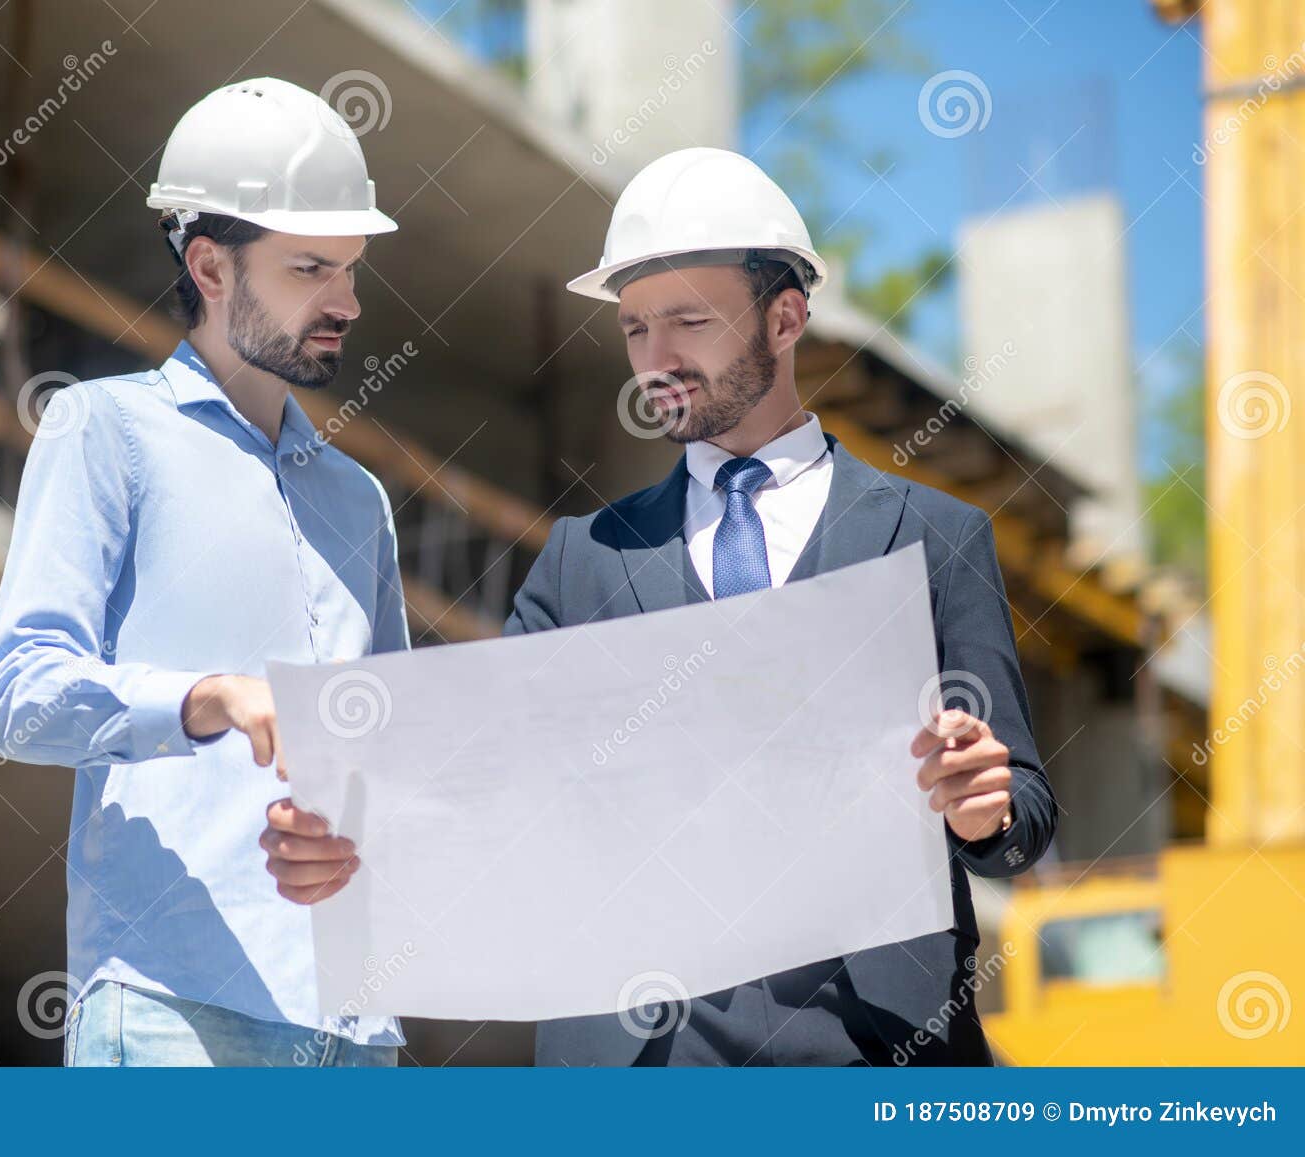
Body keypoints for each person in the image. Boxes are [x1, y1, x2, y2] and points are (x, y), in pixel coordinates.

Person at [261, 146, 1056, 1066]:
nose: (658, 358)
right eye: (637, 328)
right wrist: (349, 845)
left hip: (876, 1051)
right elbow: (485, 793)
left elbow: (1022, 817)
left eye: (689, 320)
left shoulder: (936, 537)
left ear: (787, 317)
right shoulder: (581, 563)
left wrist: (980, 809)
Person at [0, 78, 406, 1067]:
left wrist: (363, 830)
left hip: (355, 1028)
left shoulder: (360, 504)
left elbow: (384, 767)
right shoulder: (106, 432)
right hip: (176, 1014)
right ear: (209, 264)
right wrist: (207, 698)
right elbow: (16, 696)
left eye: (351, 268)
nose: (347, 301)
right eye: (310, 268)